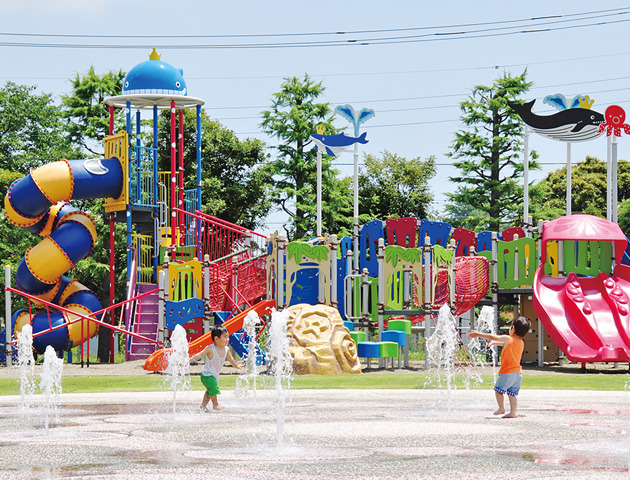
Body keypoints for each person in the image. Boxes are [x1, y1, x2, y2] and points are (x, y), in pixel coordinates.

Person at [468, 316, 531, 419]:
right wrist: (495, 343)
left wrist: (478, 334)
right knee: (512, 394)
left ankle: (501, 408)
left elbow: (492, 336)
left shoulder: (508, 338)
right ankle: (513, 412)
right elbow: (507, 344)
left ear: (513, 329)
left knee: (498, 390)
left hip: (507, 373)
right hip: (518, 373)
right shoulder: (521, 342)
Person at [189, 325, 243, 411]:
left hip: (214, 375)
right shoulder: (210, 348)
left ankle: (203, 406)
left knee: (209, 391)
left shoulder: (227, 349)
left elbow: (231, 359)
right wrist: (188, 361)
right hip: (206, 374)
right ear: (216, 339)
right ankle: (215, 404)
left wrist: (236, 366)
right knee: (213, 388)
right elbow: (198, 355)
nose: (227, 339)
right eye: (225, 337)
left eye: (228, 336)